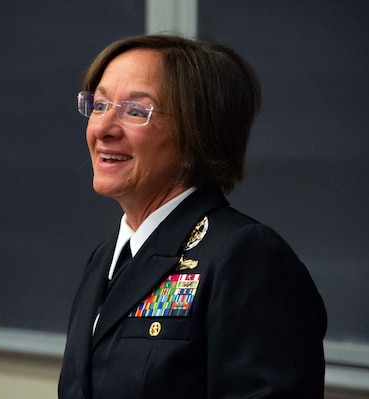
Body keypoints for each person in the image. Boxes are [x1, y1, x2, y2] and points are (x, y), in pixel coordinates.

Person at [59, 34, 327, 399]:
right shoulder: (104, 259)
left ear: (196, 136)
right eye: (100, 105)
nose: (103, 128)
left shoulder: (245, 255)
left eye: (136, 110)